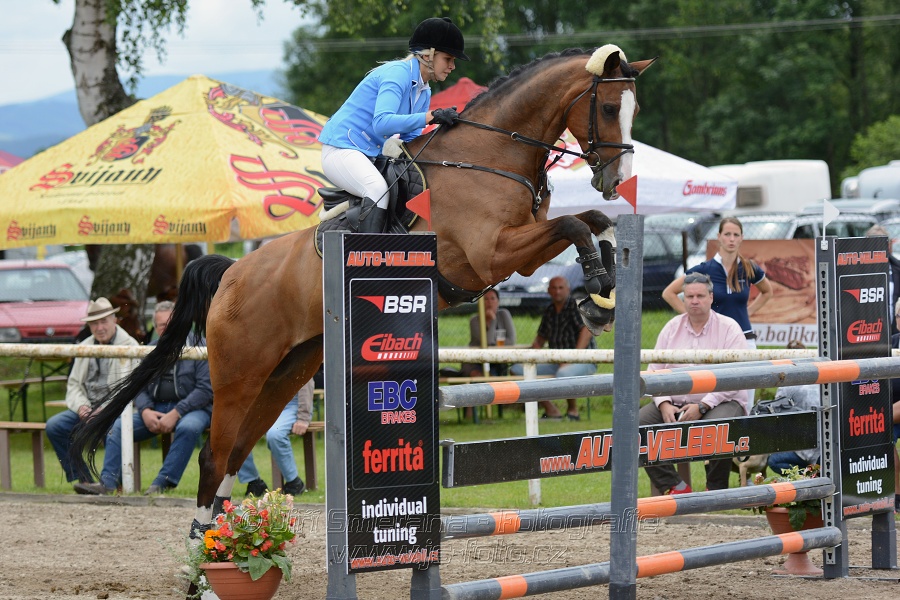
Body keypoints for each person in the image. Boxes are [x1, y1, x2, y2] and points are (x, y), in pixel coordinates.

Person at [317, 16, 468, 233]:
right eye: (448, 59)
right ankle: (369, 258)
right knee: (377, 189)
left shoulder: (424, 90)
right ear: (429, 55)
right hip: (341, 149)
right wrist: (431, 116)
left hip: (369, 154)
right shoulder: (397, 74)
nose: (452, 66)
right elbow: (382, 123)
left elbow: (410, 140)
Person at [74, 301, 213, 496]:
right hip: (155, 408)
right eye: (160, 325)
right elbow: (137, 386)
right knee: (117, 427)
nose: (166, 328)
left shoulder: (201, 346)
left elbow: (205, 390)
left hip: (193, 409)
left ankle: (162, 483)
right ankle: (108, 484)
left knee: (188, 427)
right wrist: (145, 410)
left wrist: (177, 412)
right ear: (155, 328)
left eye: (170, 322)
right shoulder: (150, 350)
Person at [641, 272, 749, 494]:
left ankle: (716, 489)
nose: (694, 301)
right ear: (683, 299)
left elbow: (736, 377)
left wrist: (703, 406)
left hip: (720, 400)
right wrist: (663, 403)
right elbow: (654, 370)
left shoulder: (729, 328)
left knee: (719, 424)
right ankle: (675, 486)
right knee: (636, 424)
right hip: (674, 400)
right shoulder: (671, 328)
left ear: (711, 297)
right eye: (689, 296)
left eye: (700, 295)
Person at [46, 298, 140, 487]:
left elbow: (130, 389)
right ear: (89, 326)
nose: (100, 327)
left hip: (117, 411)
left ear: (115, 320)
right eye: (94, 323)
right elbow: (74, 384)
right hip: (87, 409)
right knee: (55, 426)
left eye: (104, 321)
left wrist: (105, 410)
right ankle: (84, 480)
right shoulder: (85, 345)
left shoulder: (131, 345)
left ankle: (109, 483)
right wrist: (82, 406)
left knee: (114, 429)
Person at [663, 216, 773, 346]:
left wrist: (748, 311)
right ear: (719, 236)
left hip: (744, 337)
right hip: (713, 339)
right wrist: (691, 316)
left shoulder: (749, 268)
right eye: (727, 234)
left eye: (736, 235)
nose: (731, 239)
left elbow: (767, 292)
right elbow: (669, 293)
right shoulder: (705, 269)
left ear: (741, 238)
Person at [511, 276, 595, 420]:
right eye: (554, 288)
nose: (557, 291)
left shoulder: (575, 307)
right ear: (548, 290)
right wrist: (528, 356)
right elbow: (539, 340)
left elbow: (587, 331)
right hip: (555, 360)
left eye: (561, 288)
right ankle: (551, 410)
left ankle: (573, 410)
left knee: (564, 373)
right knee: (517, 370)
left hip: (583, 359)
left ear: (568, 289)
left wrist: (573, 358)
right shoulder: (549, 310)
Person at [236, 379, 315, 497]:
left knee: (275, 435)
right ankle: (254, 482)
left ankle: (294, 482)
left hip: (292, 404)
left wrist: (303, 417)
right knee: (236, 435)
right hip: (265, 403)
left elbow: (306, 379)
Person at [459, 289, 517, 378]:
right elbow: (487, 342)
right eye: (485, 299)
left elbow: (511, 340)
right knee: (475, 373)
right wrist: (492, 320)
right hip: (477, 360)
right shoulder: (474, 320)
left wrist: (494, 345)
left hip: (498, 358)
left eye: (493, 298)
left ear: (498, 302)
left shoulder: (504, 314)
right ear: (480, 303)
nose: (489, 302)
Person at [865, 224, 900, 335]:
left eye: (882, 244)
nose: (878, 249)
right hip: (868, 332)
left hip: (894, 331)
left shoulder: (897, 268)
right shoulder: (859, 272)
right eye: (874, 244)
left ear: (889, 246)